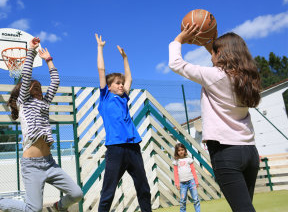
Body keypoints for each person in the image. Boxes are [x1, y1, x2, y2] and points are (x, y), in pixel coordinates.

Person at [0, 37, 83, 212]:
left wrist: (49, 60)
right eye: (36, 88)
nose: (39, 89)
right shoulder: (24, 102)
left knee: (77, 194)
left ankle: (58, 207)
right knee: (33, 210)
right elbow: (26, 76)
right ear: (26, 91)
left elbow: (55, 81)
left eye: (40, 88)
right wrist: (31, 52)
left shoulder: (45, 104)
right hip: (32, 165)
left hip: (49, 163)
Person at [169, 23, 261, 212]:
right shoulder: (248, 79)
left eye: (214, 53)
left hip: (226, 153)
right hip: (250, 152)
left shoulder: (215, 76)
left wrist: (179, 40)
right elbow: (219, 62)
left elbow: (176, 64)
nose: (210, 56)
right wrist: (209, 43)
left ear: (221, 55)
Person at [95, 33, 152, 212]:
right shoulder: (105, 98)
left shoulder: (123, 98)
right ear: (109, 86)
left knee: (144, 188)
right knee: (108, 191)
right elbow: (101, 71)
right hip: (116, 149)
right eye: (117, 83)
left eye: (121, 84)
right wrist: (100, 48)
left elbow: (129, 79)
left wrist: (125, 58)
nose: (121, 85)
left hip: (133, 147)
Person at [173, 143, 200, 212]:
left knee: (195, 199)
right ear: (176, 152)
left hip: (191, 182)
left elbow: (193, 171)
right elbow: (176, 174)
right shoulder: (176, 162)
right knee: (182, 201)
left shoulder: (189, 160)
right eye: (179, 150)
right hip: (182, 184)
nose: (181, 151)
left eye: (182, 149)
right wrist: (177, 183)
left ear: (185, 150)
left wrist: (196, 181)